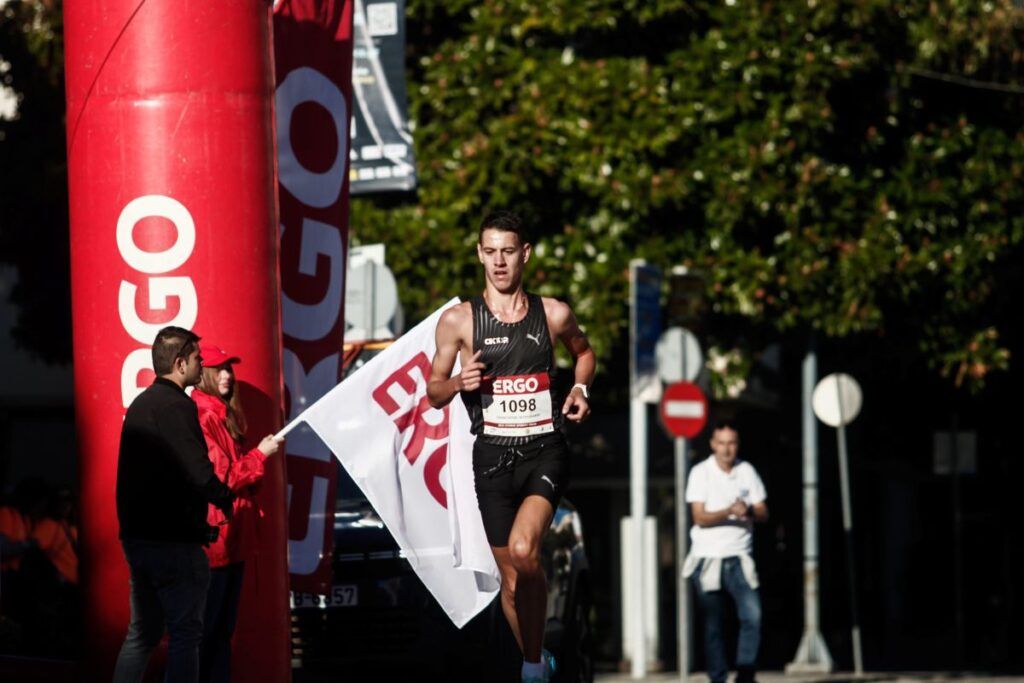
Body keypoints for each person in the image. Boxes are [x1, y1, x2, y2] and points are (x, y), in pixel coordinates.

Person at [427, 210, 596, 683]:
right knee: (511, 580)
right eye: (490, 252)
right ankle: (537, 659)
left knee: (525, 550)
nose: (499, 262)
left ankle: (532, 668)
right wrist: (459, 382)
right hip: (491, 457)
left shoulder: (554, 313)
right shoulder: (459, 320)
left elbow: (584, 353)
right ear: (479, 255)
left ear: (525, 254)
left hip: (544, 450)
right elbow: (433, 391)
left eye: (507, 251)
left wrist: (580, 389)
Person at [113, 326, 235, 683]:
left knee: (142, 634)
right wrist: (224, 497)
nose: (202, 365)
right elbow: (197, 470)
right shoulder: (177, 406)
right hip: (175, 543)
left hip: (139, 540)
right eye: (197, 358)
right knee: (186, 634)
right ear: (180, 363)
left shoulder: (142, 404)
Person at [191, 343, 282, 683]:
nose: (227, 375)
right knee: (211, 629)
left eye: (228, 368)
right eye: (219, 369)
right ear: (202, 373)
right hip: (218, 540)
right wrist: (260, 455)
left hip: (232, 536)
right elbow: (221, 479)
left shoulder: (219, 413)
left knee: (220, 629)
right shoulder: (204, 416)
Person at [683, 420, 769, 683]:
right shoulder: (700, 472)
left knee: (752, 617)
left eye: (731, 443)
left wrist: (749, 511)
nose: (726, 449)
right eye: (721, 443)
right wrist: (728, 511)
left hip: (740, 558)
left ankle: (745, 674)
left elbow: (763, 511)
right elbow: (699, 516)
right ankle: (718, 678)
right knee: (713, 625)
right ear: (713, 444)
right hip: (708, 559)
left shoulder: (747, 471)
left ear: (737, 445)